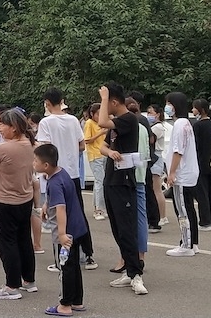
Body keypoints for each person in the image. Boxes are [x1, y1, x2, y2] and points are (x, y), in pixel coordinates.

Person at [95, 83, 150, 294]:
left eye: (106, 103)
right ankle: (128, 270)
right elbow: (102, 146)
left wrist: (104, 97)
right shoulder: (116, 125)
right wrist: (110, 153)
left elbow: (101, 121)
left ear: (114, 102)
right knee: (117, 228)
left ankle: (136, 274)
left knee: (127, 229)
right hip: (111, 179)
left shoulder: (128, 119)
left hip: (124, 181)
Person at [35, 89, 94, 267]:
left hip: (55, 172)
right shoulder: (73, 120)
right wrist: (70, 151)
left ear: (47, 103)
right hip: (73, 174)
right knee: (78, 214)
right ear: (62, 101)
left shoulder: (46, 122)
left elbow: (45, 150)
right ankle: (87, 254)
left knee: (57, 217)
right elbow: (82, 145)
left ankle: (62, 259)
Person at [0, 108, 38, 300]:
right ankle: (29, 280)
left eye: (3, 124)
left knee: (7, 242)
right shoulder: (31, 145)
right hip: (25, 198)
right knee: (24, 239)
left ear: (14, 127)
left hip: (5, 200)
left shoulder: (4, 148)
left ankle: (11, 285)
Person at [35, 143, 89, 316]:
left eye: (35, 161)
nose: (33, 163)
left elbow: (61, 208)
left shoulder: (54, 183)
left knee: (65, 267)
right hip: (78, 228)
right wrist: (46, 204)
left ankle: (64, 304)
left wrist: (62, 234)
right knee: (74, 266)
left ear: (46, 165)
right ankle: (77, 301)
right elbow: (58, 199)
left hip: (67, 233)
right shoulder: (62, 173)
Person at [165, 91, 199, 257]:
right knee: (189, 208)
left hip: (182, 174)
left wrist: (172, 172)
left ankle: (186, 244)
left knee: (183, 210)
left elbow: (178, 150)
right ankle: (193, 242)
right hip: (189, 173)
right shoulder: (186, 123)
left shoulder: (179, 124)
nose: (167, 107)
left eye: (169, 104)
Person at [191, 99, 211, 231]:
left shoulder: (197, 126)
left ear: (200, 110)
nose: (192, 110)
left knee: (202, 193)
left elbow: (195, 146)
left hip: (201, 163)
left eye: (194, 108)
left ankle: (205, 221)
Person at [82, 104, 108, 221]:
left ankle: (98, 207)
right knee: (100, 182)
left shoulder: (102, 123)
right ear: (92, 114)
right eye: (98, 114)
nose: (99, 116)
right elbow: (87, 140)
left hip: (103, 155)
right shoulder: (89, 123)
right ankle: (98, 209)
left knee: (100, 182)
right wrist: (101, 133)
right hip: (95, 155)